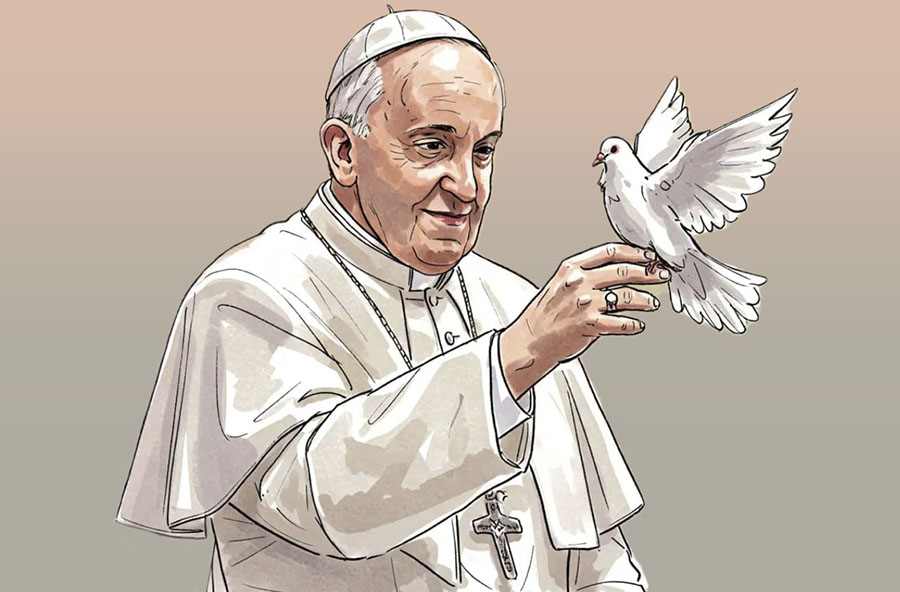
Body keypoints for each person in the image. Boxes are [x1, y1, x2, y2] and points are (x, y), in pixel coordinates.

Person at [117, 9, 670, 591]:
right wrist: (513, 359)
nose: (467, 186)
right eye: (433, 146)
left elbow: (599, 559)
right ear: (343, 151)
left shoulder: (515, 302)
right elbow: (321, 501)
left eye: (483, 152)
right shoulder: (247, 293)